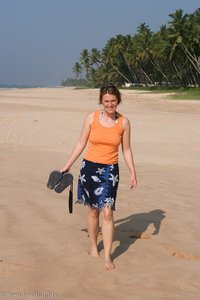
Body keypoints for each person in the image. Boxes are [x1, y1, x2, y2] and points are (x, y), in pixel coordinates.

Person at [60, 83, 137, 271]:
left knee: (108, 212)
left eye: (113, 101)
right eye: (106, 101)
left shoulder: (124, 122)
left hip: (110, 171)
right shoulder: (91, 118)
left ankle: (108, 256)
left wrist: (133, 172)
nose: (110, 104)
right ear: (101, 102)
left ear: (118, 100)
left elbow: (126, 149)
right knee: (93, 211)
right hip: (89, 168)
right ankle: (93, 247)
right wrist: (68, 164)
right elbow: (81, 142)